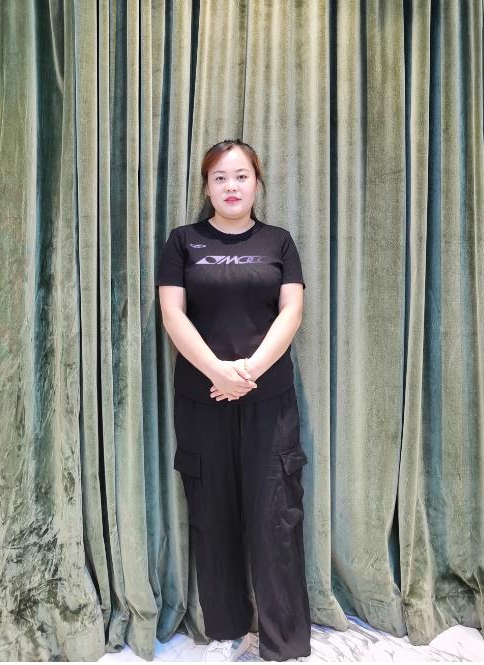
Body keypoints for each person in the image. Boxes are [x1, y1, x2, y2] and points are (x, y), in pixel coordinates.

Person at [156, 139, 311, 662]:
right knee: (212, 513)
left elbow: (291, 312)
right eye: (220, 177)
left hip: (270, 400)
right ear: (206, 186)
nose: (231, 186)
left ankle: (284, 641)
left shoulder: (279, 242)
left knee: (276, 516)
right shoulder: (183, 242)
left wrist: (247, 373)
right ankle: (225, 630)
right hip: (201, 399)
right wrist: (218, 371)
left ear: (256, 183)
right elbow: (173, 315)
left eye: (241, 176)